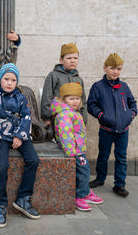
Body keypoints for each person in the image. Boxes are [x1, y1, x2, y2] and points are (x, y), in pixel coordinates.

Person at [0, 63, 40, 228]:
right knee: (1, 166)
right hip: (1, 136)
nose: (9, 83)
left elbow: (26, 117)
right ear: (0, 79)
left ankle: (23, 198)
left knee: (33, 160)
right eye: (6, 79)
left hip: (18, 136)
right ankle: (1, 205)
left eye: (13, 80)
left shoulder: (21, 97)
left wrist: (20, 135)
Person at [87, 53, 138, 197]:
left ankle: (120, 184)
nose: (115, 71)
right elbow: (91, 105)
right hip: (106, 129)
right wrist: (102, 116)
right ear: (105, 68)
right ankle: (100, 178)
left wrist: (131, 115)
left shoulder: (124, 86)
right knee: (103, 155)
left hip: (123, 130)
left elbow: (132, 103)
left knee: (121, 156)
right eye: (112, 68)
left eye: (119, 69)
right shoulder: (98, 87)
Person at [50, 83, 104, 211]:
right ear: (64, 99)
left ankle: (85, 192)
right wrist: (71, 152)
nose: (75, 101)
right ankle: (79, 196)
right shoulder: (64, 114)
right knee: (81, 173)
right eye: (71, 98)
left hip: (78, 149)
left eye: (77, 98)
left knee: (84, 172)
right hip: (74, 151)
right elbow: (65, 133)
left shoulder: (72, 112)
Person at [41, 43, 88, 127]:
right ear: (61, 60)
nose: (73, 61)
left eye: (75, 58)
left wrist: (84, 120)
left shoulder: (78, 79)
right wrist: (47, 118)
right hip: (58, 119)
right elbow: (47, 97)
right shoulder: (53, 76)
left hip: (75, 120)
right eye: (69, 58)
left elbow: (83, 100)